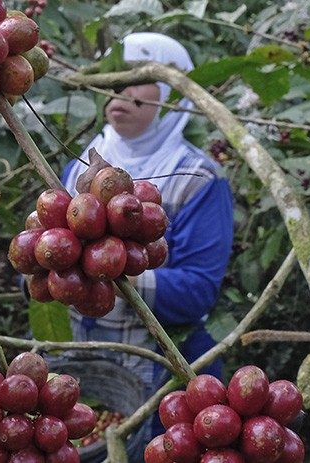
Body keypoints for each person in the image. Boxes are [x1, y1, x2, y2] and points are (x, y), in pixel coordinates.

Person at [59, 32, 234, 452]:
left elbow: (197, 290)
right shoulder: (77, 165)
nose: (122, 90)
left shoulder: (197, 177)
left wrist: (117, 271)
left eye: (137, 79)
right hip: (88, 362)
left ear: (173, 94)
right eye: (115, 79)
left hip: (161, 368)